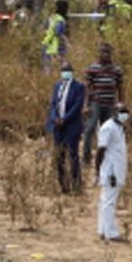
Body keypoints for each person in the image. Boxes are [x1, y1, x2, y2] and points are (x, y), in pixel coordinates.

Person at [82, 42, 124, 166]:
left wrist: (121, 104)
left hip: (110, 104)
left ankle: (105, 158)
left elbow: (120, 88)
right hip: (96, 103)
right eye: (103, 52)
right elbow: (87, 87)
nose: (105, 55)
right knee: (90, 129)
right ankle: (86, 158)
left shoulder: (116, 70)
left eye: (107, 52)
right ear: (99, 53)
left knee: (108, 131)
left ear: (111, 54)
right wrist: (86, 105)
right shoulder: (92, 68)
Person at [46, 62, 85, 194]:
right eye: (63, 70)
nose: (65, 72)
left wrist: (64, 119)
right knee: (59, 156)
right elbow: (53, 104)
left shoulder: (79, 87)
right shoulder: (58, 86)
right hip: (58, 127)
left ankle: (76, 185)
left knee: (73, 156)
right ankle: (63, 186)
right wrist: (54, 118)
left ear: (72, 72)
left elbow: (77, 106)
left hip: (71, 126)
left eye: (68, 70)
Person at [95, 103, 129, 242]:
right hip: (111, 171)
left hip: (117, 168)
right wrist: (97, 171)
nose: (124, 114)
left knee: (106, 200)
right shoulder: (108, 127)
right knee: (109, 201)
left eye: (126, 112)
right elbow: (100, 150)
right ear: (114, 112)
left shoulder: (119, 127)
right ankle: (111, 233)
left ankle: (103, 230)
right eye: (121, 111)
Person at [42, 0, 72, 64]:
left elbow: (43, 29)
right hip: (56, 47)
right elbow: (58, 33)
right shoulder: (60, 20)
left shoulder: (51, 17)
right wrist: (67, 42)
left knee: (48, 67)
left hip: (47, 45)